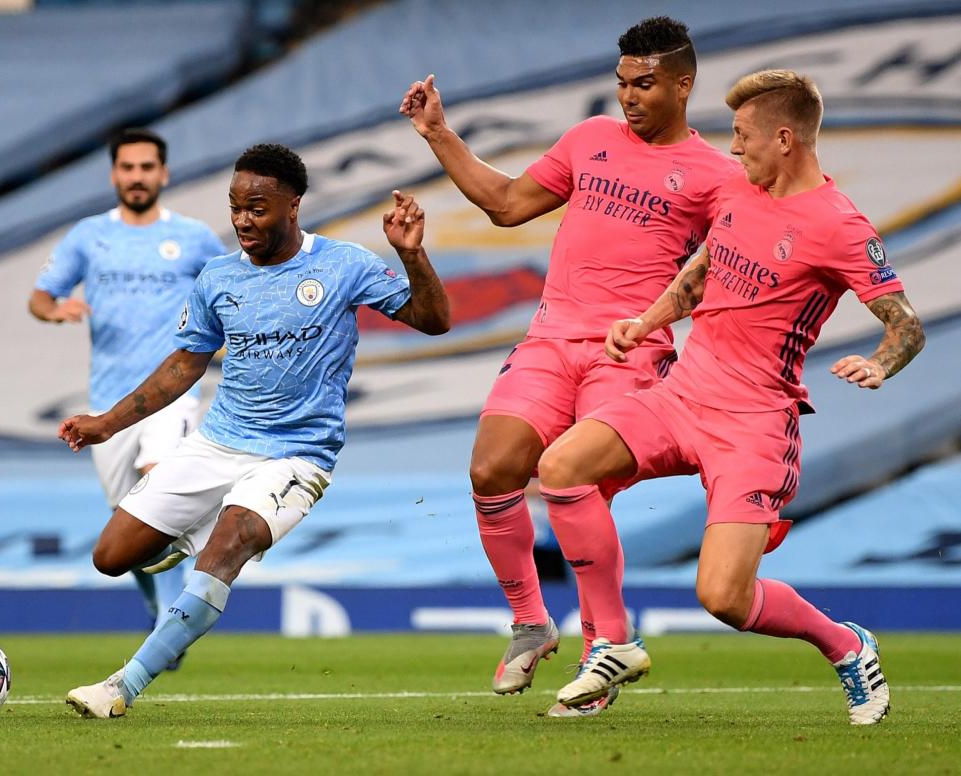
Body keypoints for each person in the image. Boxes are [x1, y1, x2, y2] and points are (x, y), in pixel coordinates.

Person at [538, 70, 924, 725]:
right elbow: (700, 273)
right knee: (559, 468)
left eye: (742, 137)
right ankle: (613, 641)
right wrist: (647, 322)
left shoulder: (838, 225)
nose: (733, 148)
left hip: (753, 426)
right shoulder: (742, 193)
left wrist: (880, 364)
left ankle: (846, 645)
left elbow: (906, 323)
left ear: (783, 138)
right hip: (680, 396)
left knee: (723, 597)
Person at [399, 16, 739, 712]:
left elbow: (728, 275)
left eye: (643, 83)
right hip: (550, 339)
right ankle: (529, 623)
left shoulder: (718, 176)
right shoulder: (588, 141)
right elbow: (505, 205)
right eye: (620, 83)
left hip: (629, 353)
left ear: (683, 83)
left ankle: (602, 648)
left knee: (574, 483)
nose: (628, 97)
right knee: (491, 469)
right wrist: (437, 132)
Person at [59, 143, 450, 718]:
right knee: (111, 556)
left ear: (293, 206)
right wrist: (105, 425)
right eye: (236, 207)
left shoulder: (344, 265)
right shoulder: (218, 276)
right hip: (218, 442)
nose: (243, 220)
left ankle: (122, 686)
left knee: (228, 547)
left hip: (296, 456)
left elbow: (435, 320)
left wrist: (412, 256)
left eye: (258, 208)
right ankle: (186, 535)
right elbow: (184, 364)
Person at [29, 128, 226, 646]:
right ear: (115, 173)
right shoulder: (88, 236)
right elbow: (40, 297)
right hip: (109, 405)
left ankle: (171, 629)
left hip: (173, 391)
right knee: (129, 525)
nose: (137, 177)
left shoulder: (195, 237)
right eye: (128, 168)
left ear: (163, 173)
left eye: (146, 167)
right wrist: (56, 310)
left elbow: (231, 292)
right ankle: (155, 600)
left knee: (158, 485)